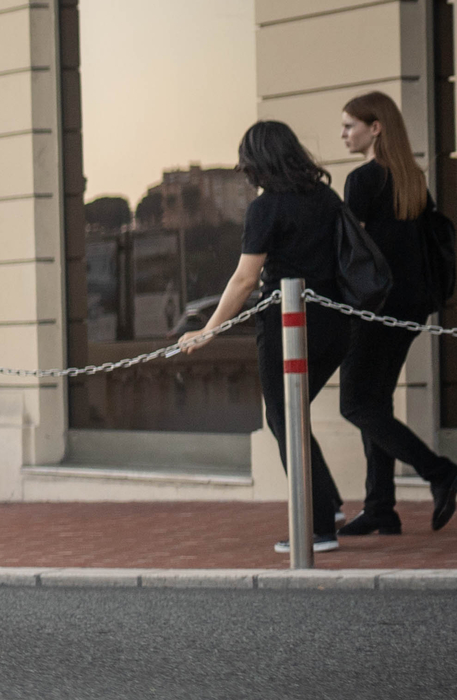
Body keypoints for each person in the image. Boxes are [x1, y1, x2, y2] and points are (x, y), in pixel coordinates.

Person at [176, 121, 354, 552]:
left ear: (258, 161)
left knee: (283, 418)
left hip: (287, 327)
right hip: (335, 325)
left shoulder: (266, 209)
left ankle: (319, 531)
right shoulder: (326, 198)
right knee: (292, 417)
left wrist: (208, 330)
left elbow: (244, 280)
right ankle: (327, 506)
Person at [332, 92, 457, 534]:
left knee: (354, 404)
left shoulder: (363, 180)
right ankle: (381, 506)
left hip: (374, 310)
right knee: (375, 402)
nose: (344, 134)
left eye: (349, 125)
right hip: (410, 309)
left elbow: (354, 256)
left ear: (375, 128)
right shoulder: (412, 180)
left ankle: (439, 472)